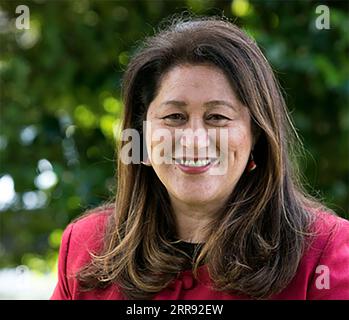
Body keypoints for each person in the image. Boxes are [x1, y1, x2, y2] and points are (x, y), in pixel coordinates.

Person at [51, 15, 349, 300]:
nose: (194, 140)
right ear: (141, 131)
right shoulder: (85, 247)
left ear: (256, 132)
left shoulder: (325, 251)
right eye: (174, 116)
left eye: (217, 117)